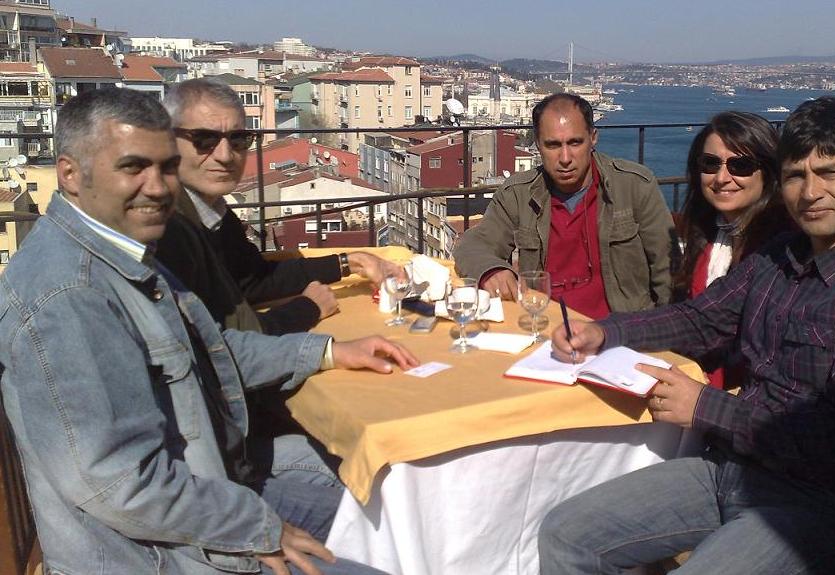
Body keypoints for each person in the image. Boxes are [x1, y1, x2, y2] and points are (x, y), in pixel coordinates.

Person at [0, 88, 418, 575]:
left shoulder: (121, 250)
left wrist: (326, 351)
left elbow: (206, 350)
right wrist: (253, 527)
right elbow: (121, 484)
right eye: (134, 167)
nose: (158, 188)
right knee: (394, 534)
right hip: (159, 556)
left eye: (166, 168)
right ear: (71, 174)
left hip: (212, 475)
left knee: (386, 491)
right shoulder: (69, 298)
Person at [538, 96, 835, 574]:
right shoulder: (782, 255)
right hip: (736, 470)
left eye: (830, 173)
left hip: (824, 505)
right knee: (566, 533)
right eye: (796, 175)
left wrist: (706, 407)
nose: (810, 192)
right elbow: (701, 319)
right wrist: (603, 331)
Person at [157, 78, 395, 335]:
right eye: (204, 139)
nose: (225, 155)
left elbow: (253, 280)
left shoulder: (213, 212)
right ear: (167, 141)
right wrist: (308, 308)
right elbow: (220, 342)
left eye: (238, 139)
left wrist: (349, 263)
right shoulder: (164, 231)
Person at [453, 93, 674, 319]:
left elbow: (668, 268)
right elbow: (472, 244)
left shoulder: (634, 186)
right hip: (545, 324)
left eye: (575, 142)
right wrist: (491, 270)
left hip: (621, 329)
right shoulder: (518, 194)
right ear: (538, 144)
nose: (565, 158)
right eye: (553, 145)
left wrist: (664, 331)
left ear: (593, 138)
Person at [674, 111, 792, 388]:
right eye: (710, 163)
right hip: (697, 379)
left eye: (741, 165)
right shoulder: (707, 232)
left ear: (769, 172)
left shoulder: (782, 249)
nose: (721, 178)